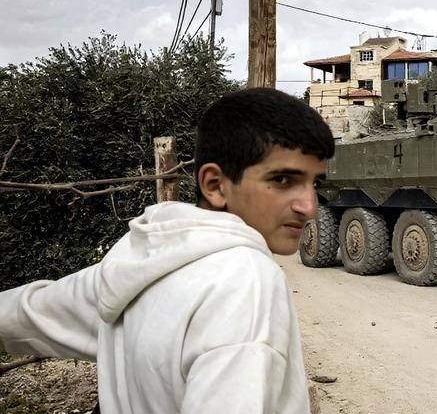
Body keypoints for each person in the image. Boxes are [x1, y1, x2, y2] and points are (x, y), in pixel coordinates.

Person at [0, 88, 335, 413]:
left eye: (315, 183)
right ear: (215, 185)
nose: (309, 207)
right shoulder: (246, 281)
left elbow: (25, 315)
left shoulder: (141, 257)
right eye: (283, 180)